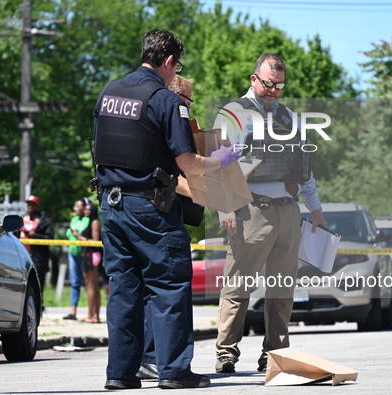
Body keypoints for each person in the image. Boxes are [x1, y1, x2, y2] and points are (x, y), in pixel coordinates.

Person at [92, 29, 238, 390]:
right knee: (168, 285)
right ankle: (173, 371)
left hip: (111, 204)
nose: (176, 73)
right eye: (178, 66)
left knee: (124, 288)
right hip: (150, 208)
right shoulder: (166, 101)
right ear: (169, 61)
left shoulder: (109, 92)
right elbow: (188, 163)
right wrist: (220, 160)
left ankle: (121, 374)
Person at [212, 53, 327, 373]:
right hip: (251, 211)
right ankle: (226, 352)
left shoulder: (291, 118)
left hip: (287, 213)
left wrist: (315, 208)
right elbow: (219, 164)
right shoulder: (234, 113)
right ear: (253, 79)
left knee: (282, 286)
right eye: (267, 84)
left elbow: (304, 170)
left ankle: (275, 351)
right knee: (238, 284)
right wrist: (225, 206)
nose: (273, 90)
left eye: (279, 86)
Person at [137, 75, 199, 382]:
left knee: (149, 291)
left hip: (136, 215)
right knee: (171, 290)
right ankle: (169, 365)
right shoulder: (173, 120)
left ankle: (147, 359)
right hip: (161, 216)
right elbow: (176, 176)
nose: (190, 106)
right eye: (189, 100)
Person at [71, 202, 103, 323]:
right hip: (90, 255)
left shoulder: (94, 222)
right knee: (94, 286)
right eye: (86, 209)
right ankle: (95, 316)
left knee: (90, 287)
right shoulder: (88, 221)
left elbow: (95, 240)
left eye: (89, 210)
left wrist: (79, 237)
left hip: (92, 255)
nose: (86, 211)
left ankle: (91, 315)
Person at [19, 195, 54, 299]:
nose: (29, 206)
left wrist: (36, 236)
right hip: (22, 255)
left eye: (32, 204)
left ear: (37, 206)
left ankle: (38, 305)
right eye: (28, 204)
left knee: (38, 282)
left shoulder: (44, 221)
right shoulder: (22, 219)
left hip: (38, 257)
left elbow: (50, 238)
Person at [64, 197, 91, 320]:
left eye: (79, 206)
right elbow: (69, 234)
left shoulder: (88, 220)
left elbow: (80, 234)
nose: (76, 208)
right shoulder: (73, 219)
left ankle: (92, 312)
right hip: (73, 253)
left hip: (85, 255)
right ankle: (73, 312)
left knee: (89, 283)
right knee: (75, 282)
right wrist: (74, 235)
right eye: (75, 206)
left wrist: (77, 235)